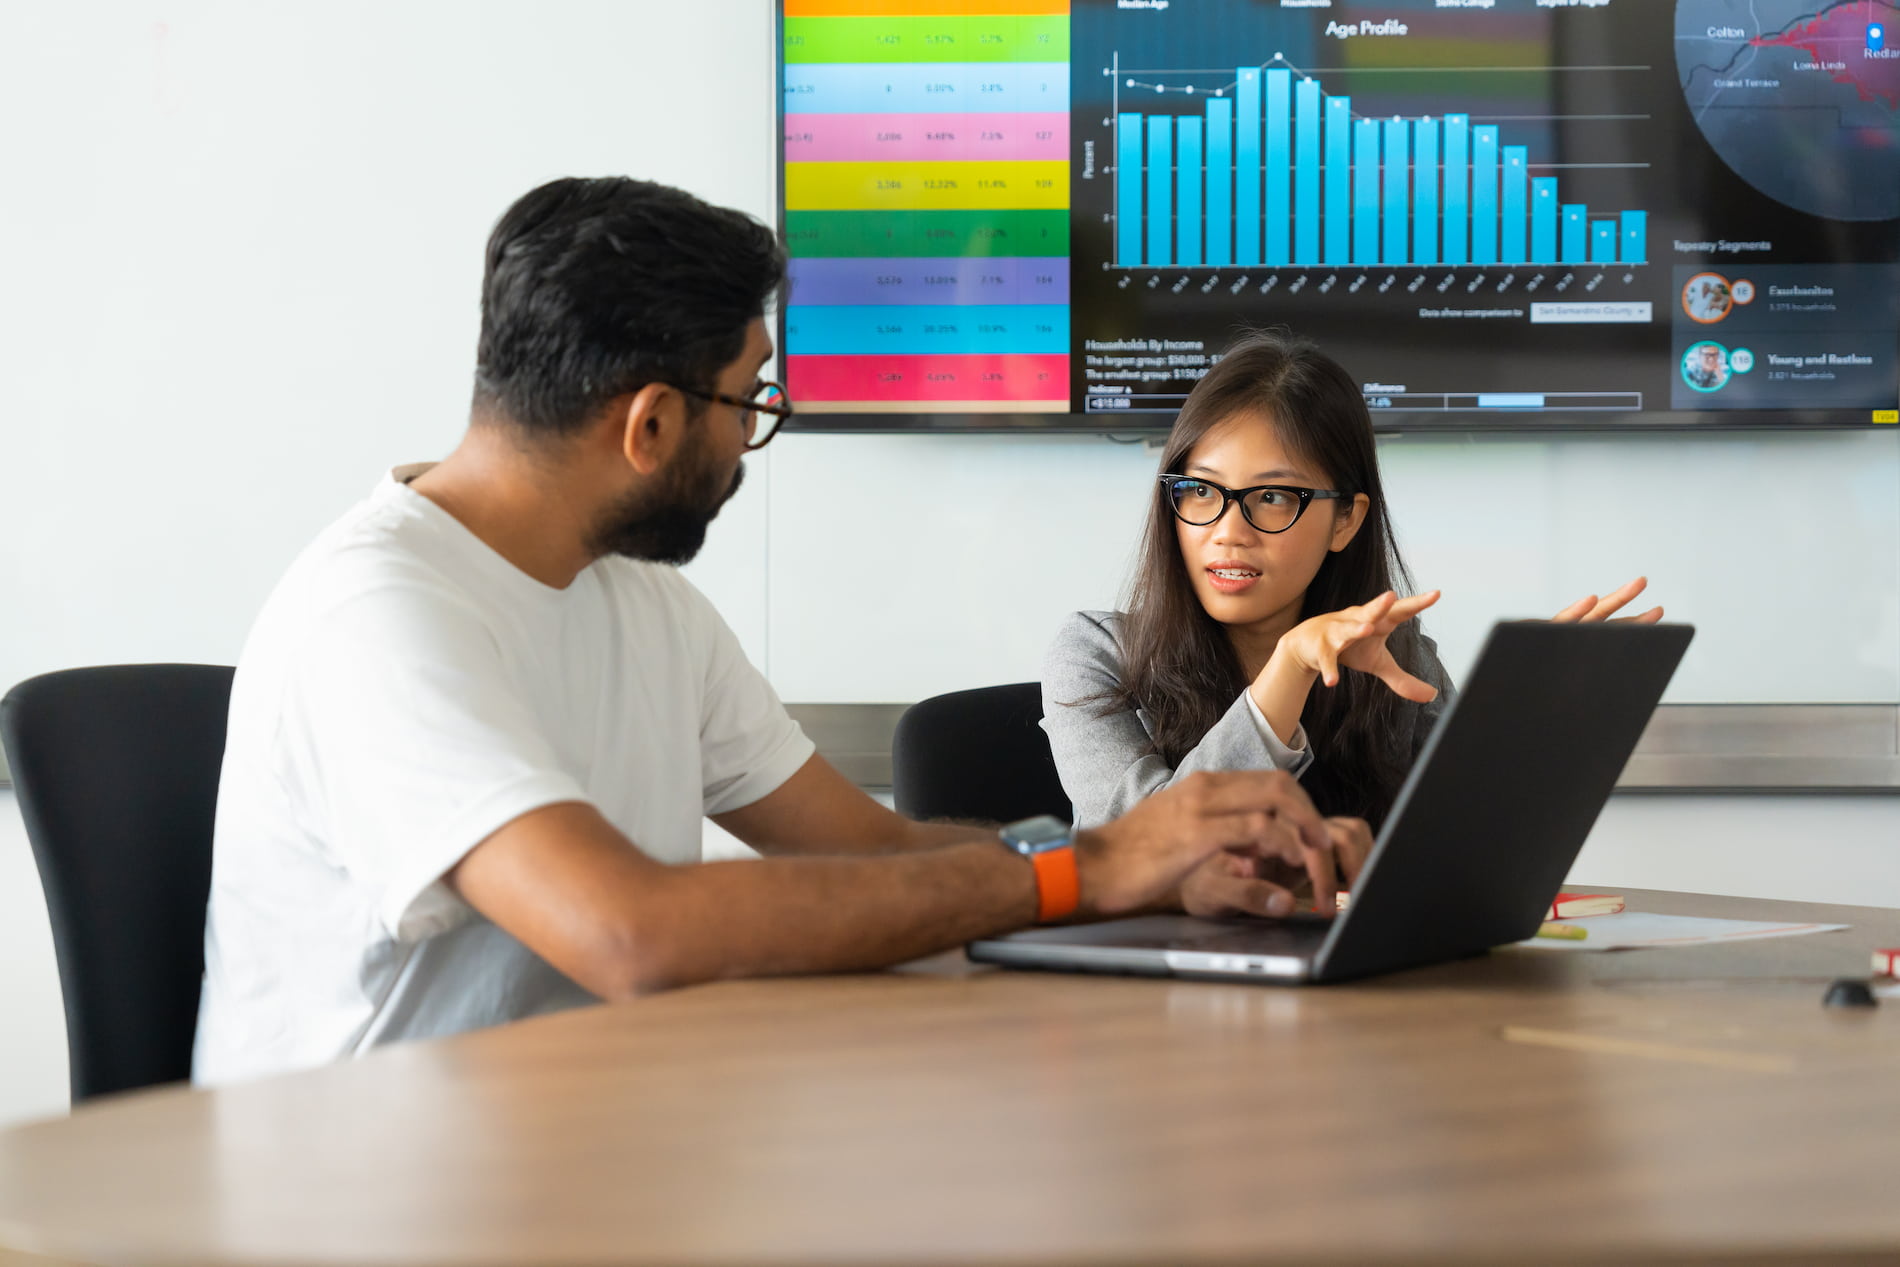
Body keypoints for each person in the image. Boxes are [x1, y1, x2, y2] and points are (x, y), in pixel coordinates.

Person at [193, 179, 1348, 1085]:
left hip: (593, 1138)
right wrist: (1087, 868)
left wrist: (1154, 872)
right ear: (650, 423)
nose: (754, 435)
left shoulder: (646, 606)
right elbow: (627, 931)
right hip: (361, 1198)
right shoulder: (377, 616)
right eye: (752, 399)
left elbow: (865, 851)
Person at [1041, 331, 1662, 919]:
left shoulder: (1394, 658)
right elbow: (1127, 857)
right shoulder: (1095, 651)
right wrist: (1290, 669)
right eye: (1200, 492)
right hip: (1149, 1003)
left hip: (1353, 994)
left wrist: (1512, 710)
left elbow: (1464, 857)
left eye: (1274, 497)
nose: (1228, 531)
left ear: (1345, 520)